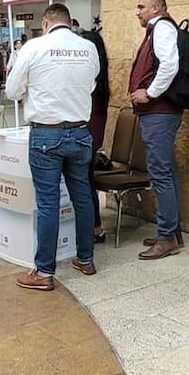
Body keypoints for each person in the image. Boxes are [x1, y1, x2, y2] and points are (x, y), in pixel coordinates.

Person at [6, 3, 99, 290]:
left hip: (46, 135)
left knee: (48, 203)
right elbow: (91, 85)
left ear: (46, 23)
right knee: (82, 197)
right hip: (81, 132)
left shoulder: (33, 48)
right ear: (69, 22)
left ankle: (44, 272)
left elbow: (12, 91)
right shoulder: (88, 48)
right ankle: (86, 258)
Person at [129, 0, 185, 260]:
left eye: (142, 6)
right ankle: (171, 232)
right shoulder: (156, 30)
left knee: (161, 173)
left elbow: (170, 65)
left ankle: (166, 238)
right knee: (167, 172)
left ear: (156, 7)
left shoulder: (161, 28)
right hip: (160, 113)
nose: (137, 11)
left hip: (159, 112)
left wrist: (148, 93)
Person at [77, 23, 110, 243]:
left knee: (85, 181)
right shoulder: (100, 76)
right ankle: (95, 226)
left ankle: (94, 228)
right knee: (86, 180)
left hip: (88, 129)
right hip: (93, 130)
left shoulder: (91, 77)